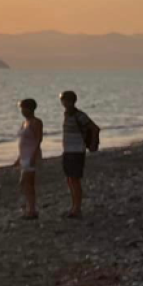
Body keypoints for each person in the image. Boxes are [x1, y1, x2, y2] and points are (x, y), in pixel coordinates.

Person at [58, 90, 97, 219]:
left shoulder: (79, 115)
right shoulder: (66, 115)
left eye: (66, 100)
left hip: (77, 150)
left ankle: (77, 208)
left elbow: (94, 128)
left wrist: (92, 144)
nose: (64, 103)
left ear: (71, 101)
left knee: (75, 180)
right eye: (62, 100)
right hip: (67, 150)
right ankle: (73, 206)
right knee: (69, 179)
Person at [15, 98, 43, 220]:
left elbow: (38, 139)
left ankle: (32, 210)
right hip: (24, 156)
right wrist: (18, 158)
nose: (21, 110)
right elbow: (23, 142)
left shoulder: (36, 122)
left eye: (23, 108)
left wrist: (34, 156)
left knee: (27, 183)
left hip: (31, 156)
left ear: (29, 108)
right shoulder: (24, 122)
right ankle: (30, 208)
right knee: (24, 183)